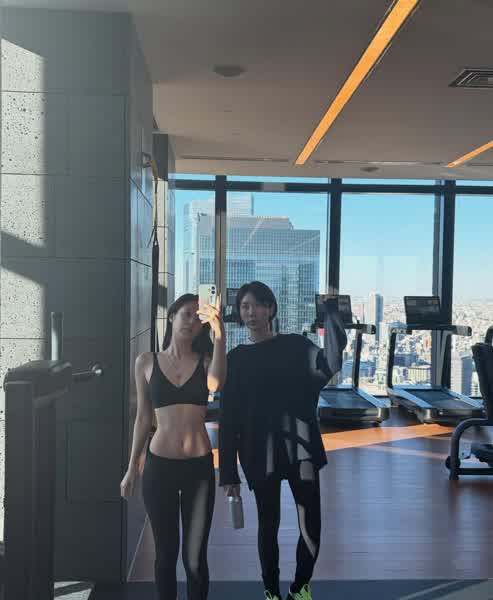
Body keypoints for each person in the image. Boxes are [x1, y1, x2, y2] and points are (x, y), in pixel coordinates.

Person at [219, 282, 347, 600]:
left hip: (301, 449)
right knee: (268, 525)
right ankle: (271, 592)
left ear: (271, 309)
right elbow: (228, 419)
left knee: (311, 524)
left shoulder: (296, 346)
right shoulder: (235, 359)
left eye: (257, 305)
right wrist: (228, 473)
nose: (250, 312)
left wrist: (331, 312)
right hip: (258, 453)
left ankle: (300, 587)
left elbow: (332, 362)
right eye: (244, 306)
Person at [121, 293, 226, 600]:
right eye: (186, 314)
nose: (191, 322)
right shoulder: (146, 362)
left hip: (198, 469)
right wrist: (131, 468)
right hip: (159, 468)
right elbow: (143, 418)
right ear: (171, 316)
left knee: (195, 560)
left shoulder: (205, 363)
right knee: (165, 555)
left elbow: (217, 384)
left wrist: (219, 333)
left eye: (198, 318)